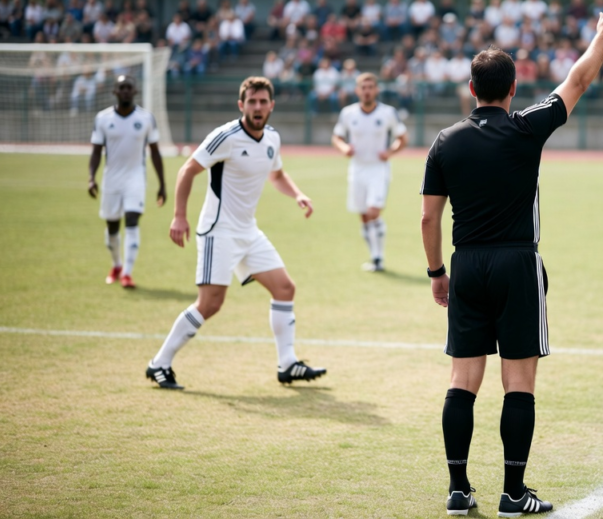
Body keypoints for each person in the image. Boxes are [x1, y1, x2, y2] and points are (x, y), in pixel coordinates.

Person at [420, 4, 603, 517]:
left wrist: (437, 272)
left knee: (461, 381)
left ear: (471, 88)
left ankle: (457, 489)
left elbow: (428, 220)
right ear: (513, 88)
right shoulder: (525, 127)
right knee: (519, 382)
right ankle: (514, 495)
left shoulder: (444, 142)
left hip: (465, 265)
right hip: (517, 264)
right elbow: (577, 80)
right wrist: (602, 36)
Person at [146, 77, 323, 390]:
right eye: (251, 102)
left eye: (262, 102)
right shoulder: (224, 136)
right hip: (218, 231)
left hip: (248, 230)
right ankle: (159, 363)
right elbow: (188, 169)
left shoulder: (272, 139)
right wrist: (179, 216)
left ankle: (287, 364)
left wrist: (297, 194)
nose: (257, 107)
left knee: (284, 288)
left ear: (271, 105)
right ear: (241, 105)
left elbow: (277, 174)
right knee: (210, 303)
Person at [87, 76, 166, 289]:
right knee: (112, 226)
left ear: (135, 91)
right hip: (111, 179)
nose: (125, 91)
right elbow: (96, 152)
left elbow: (156, 152)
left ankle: (128, 274)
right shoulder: (102, 118)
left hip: (136, 178)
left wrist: (162, 184)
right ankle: (116, 265)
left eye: (129, 88)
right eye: (121, 87)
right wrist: (91, 178)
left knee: (132, 221)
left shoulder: (146, 118)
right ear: (114, 91)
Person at [331, 74, 408, 272]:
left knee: (374, 211)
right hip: (357, 169)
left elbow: (402, 137)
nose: (367, 91)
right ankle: (374, 257)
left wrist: (390, 152)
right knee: (364, 216)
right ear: (357, 90)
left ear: (376, 90)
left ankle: (378, 257)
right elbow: (337, 136)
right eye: (363, 87)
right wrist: (344, 148)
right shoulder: (348, 113)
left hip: (378, 169)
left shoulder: (388, 113)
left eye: (370, 87)